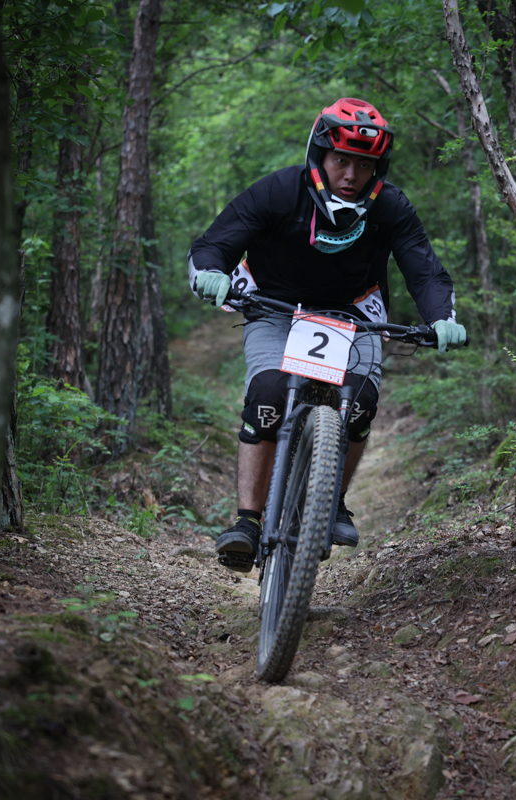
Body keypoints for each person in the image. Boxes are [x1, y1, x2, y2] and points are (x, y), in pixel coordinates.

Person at [187, 97, 467, 572]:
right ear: (321, 155)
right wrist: (210, 273)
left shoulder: (390, 206)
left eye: (364, 164)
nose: (352, 175)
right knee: (269, 392)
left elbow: (423, 269)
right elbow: (214, 243)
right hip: (274, 304)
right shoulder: (278, 192)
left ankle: (331, 502)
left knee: (358, 400)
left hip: (353, 309)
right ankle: (248, 522)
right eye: (342, 160)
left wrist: (441, 317)